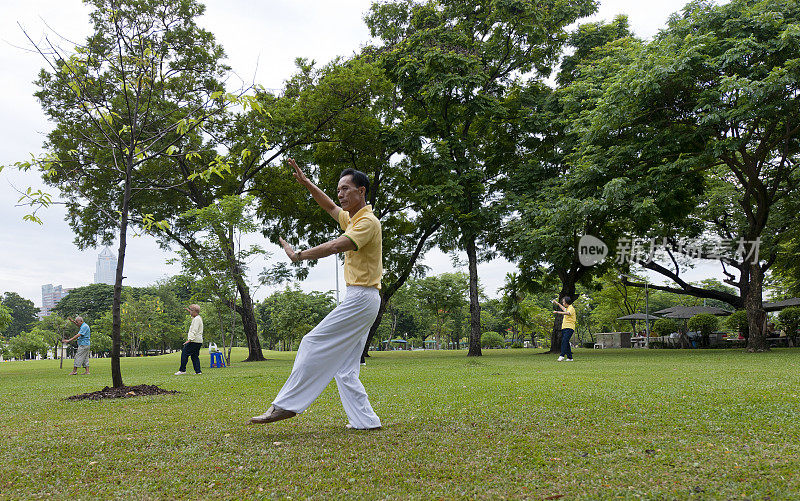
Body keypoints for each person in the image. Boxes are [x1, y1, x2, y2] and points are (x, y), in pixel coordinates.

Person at [250, 158, 382, 430]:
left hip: (362, 297)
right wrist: (307, 183)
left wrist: (299, 255)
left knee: (311, 342)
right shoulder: (353, 218)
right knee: (345, 369)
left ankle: (285, 406)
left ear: (362, 191)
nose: (341, 194)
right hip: (361, 298)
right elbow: (331, 207)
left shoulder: (367, 222)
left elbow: (337, 245)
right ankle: (366, 421)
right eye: (339, 189)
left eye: (346, 188)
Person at [175, 304, 203, 375]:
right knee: (194, 356)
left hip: (194, 340)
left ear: (194, 311)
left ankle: (182, 370)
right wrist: (189, 311)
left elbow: (194, 330)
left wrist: (190, 340)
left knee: (184, 353)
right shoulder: (198, 318)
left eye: (191, 311)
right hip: (198, 341)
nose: (190, 312)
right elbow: (193, 317)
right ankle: (198, 371)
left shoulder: (196, 319)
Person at [552, 297, 577, 361]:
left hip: (569, 327)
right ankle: (570, 358)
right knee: (566, 342)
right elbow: (563, 309)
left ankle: (562, 355)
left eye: (563, 302)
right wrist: (557, 303)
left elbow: (568, 313)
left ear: (567, 303)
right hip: (565, 327)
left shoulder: (571, 308)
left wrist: (557, 312)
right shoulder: (568, 308)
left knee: (564, 341)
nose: (563, 303)